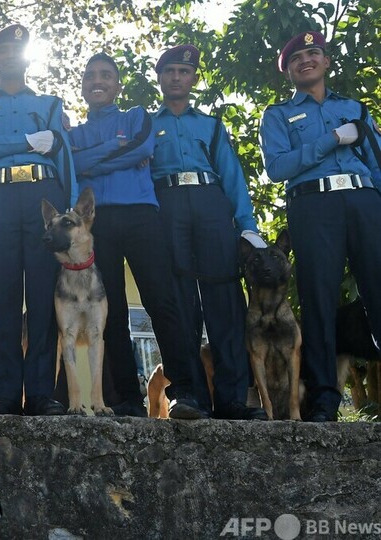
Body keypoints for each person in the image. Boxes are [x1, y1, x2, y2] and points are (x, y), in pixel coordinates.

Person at [68, 52, 205, 419]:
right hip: (98, 226)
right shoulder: (73, 134)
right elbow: (73, 164)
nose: (98, 80)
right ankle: (126, 398)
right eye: (91, 75)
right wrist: (115, 149)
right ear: (82, 85)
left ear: (117, 85)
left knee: (162, 302)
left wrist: (94, 159)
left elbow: (143, 147)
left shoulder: (137, 116)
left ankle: (185, 392)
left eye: (106, 75)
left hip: (142, 216)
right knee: (109, 313)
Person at [260, 31, 381, 422]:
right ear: (289, 71)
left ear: (326, 61)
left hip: (365, 200)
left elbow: (377, 160)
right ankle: (325, 400)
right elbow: (278, 167)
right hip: (313, 204)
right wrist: (331, 139)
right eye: (296, 58)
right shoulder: (278, 115)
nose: (305, 60)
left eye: (313, 53)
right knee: (319, 300)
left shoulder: (355, 108)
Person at [0, 24, 77, 416]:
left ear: (26, 58)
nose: (9, 56)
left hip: (44, 199)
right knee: (4, 296)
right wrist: (26, 142)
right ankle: (6, 393)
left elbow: (65, 160)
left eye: (16, 50)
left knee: (44, 295)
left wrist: (71, 210)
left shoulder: (49, 104)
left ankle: (42, 392)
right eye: (2, 52)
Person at [150, 45, 268, 420]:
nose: (176, 78)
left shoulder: (211, 125)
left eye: (183, 72)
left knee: (225, 303)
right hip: (167, 204)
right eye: (169, 71)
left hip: (211, 202)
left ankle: (233, 399)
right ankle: (191, 397)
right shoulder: (146, 126)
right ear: (160, 78)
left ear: (193, 78)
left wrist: (247, 227)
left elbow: (232, 177)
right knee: (180, 304)